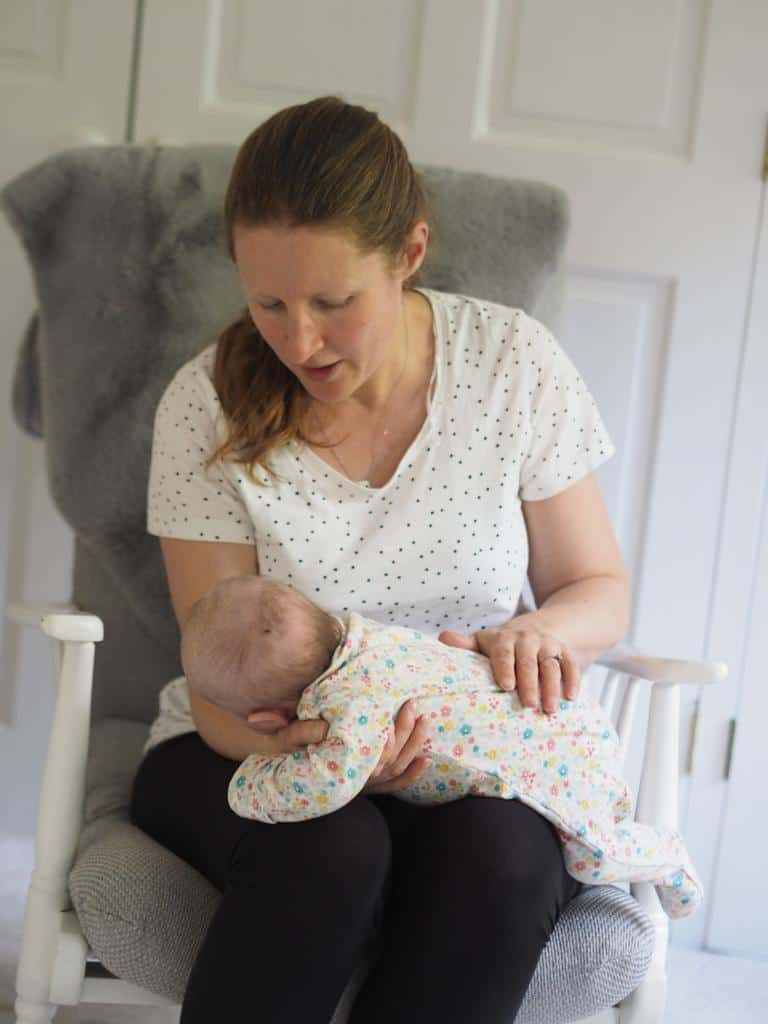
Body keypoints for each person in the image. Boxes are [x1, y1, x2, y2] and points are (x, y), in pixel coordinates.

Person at [129, 94, 632, 1024]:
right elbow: (216, 681)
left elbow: (597, 590)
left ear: (409, 254)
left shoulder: (513, 366)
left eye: (333, 302)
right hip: (255, 741)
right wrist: (327, 752)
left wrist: (540, 630)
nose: (300, 341)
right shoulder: (206, 404)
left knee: (504, 860)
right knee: (332, 846)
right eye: (268, 302)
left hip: (470, 753)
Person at [179, 574, 700, 918]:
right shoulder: (369, 637)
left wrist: (247, 783)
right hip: (558, 710)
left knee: (591, 857)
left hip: (559, 755)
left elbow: (319, 787)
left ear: (267, 717)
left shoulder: (351, 710)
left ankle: (668, 856)